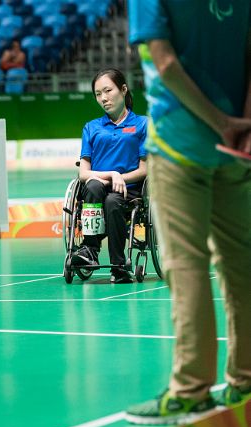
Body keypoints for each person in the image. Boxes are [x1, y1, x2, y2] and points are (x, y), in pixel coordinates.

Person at [125, 0, 251, 424]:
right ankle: (246, 381)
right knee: (242, 266)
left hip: (180, 147)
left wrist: (220, 123)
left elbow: (164, 64)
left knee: (186, 267)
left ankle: (190, 391)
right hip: (238, 149)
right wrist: (242, 124)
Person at [70, 68, 148, 284]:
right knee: (94, 186)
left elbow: (145, 170)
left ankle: (119, 265)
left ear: (123, 90)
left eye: (108, 90)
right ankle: (90, 251)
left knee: (113, 202)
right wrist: (112, 175)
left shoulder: (142, 124)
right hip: (98, 185)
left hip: (128, 190)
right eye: (97, 94)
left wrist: (122, 178)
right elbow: (84, 173)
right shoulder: (91, 127)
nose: (103, 98)